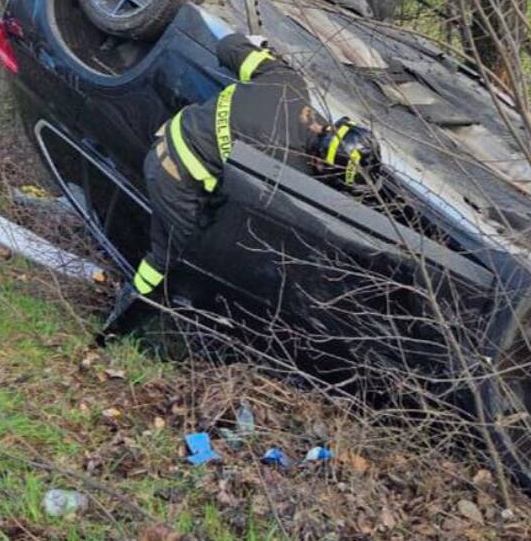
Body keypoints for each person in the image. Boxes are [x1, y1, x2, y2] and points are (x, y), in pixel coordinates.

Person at [104, 31, 380, 332]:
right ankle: (115, 328)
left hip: (170, 134)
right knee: (171, 255)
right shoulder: (284, 166)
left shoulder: (286, 82)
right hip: (173, 176)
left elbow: (228, 45)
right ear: (323, 162)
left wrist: (257, 43)